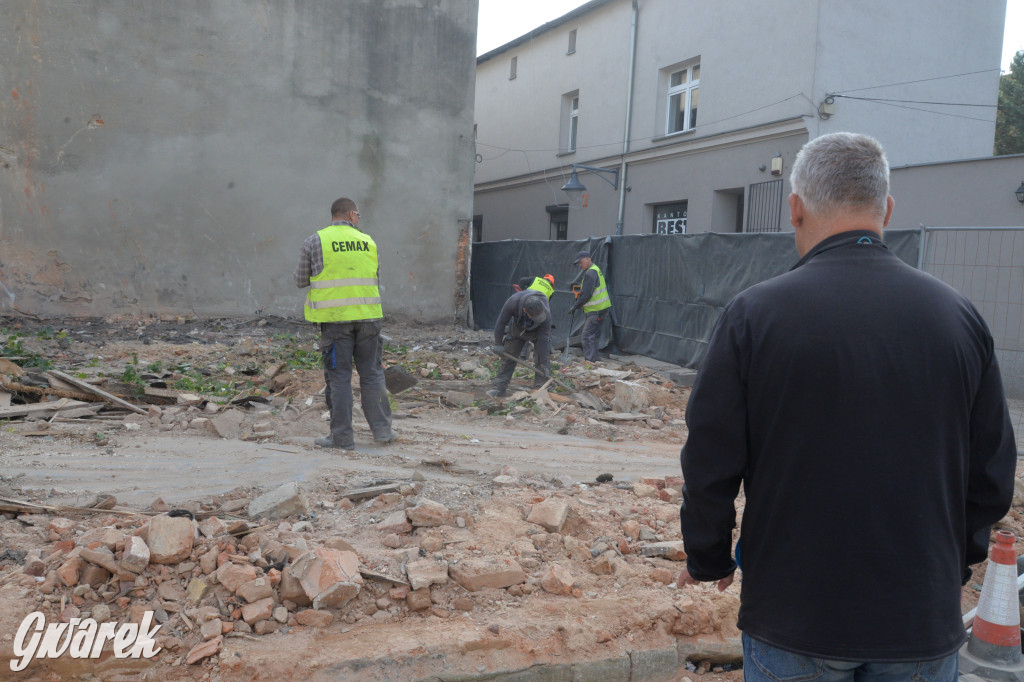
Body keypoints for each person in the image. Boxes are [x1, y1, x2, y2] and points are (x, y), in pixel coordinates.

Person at [677, 132, 1015, 679]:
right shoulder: (957, 317)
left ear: (794, 208)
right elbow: (993, 471)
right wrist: (955, 560)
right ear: (886, 208)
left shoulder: (753, 317)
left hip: (794, 614)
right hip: (918, 617)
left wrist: (708, 555)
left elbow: (710, 457)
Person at [294, 197, 396, 449]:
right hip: (369, 318)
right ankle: (383, 431)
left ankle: (342, 438)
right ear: (351, 214)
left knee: (339, 378)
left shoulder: (315, 240)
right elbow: (375, 277)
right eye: (358, 215)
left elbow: (299, 280)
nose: (359, 219)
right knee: (372, 375)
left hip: (335, 321)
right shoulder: (368, 241)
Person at [486, 289, 552, 397]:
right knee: (509, 357)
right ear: (525, 311)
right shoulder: (513, 302)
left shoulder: (546, 314)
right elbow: (501, 322)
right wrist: (498, 343)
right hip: (518, 328)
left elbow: (544, 339)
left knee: (541, 358)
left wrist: (544, 363)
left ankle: (540, 390)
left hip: (538, 331)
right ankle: (499, 388)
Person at [567, 251, 611, 362]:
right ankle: (596, 361)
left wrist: (575, 306)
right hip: (601, 308)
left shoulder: (590, 273)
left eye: (580, 262)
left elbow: (586, 294)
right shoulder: (595, 270)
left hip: (595, 310)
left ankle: (590, 363)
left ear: (587, 259)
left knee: (586, 337)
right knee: (593, 337)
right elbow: (591, 288)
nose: (580, 265)